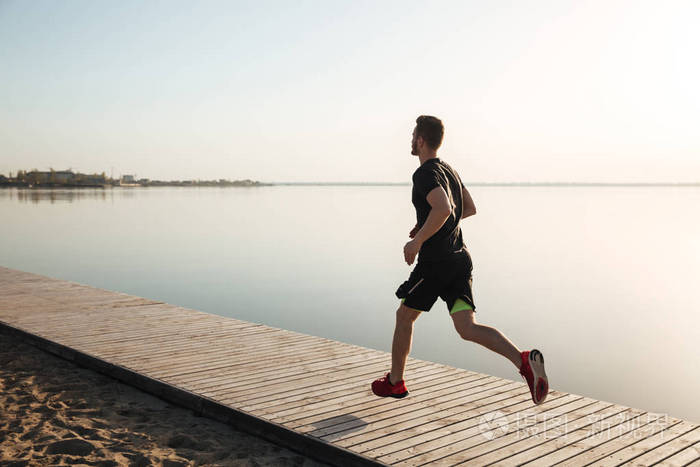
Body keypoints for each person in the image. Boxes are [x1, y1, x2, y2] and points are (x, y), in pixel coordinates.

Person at [371, 115, 549, 405]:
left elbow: (443, 208)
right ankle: (523, 360)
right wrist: (427, 223)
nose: (411, 139)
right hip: (460, 259)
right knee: (467, 328)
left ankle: (395, 382)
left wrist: (417, 241)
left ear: (420, 140)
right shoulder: (450, 170)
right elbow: (467, 208)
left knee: (404, 316)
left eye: (413, 134)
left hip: (436, 263)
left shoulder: (425, 173)